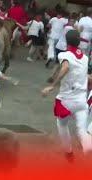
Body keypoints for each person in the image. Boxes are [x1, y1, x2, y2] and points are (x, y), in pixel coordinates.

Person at [42, 30, 92, 161]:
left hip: (66, 101)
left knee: (62, 125)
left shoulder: (65, 55)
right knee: (82, 131)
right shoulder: (86, 58)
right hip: (82, 101)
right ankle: (88, 156)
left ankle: (69, 153)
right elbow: (83, 75)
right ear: (79, 41)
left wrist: (52, 85)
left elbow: (65, 68)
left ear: (67, 40)